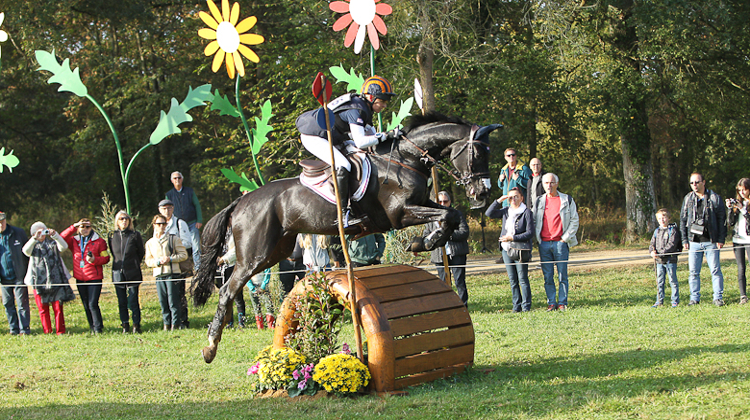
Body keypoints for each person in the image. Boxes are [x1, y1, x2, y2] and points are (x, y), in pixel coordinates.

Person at [296, 75, 397, 206]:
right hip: (314, 136)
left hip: (333, 137)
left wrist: (391, 136)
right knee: (344, 164)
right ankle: (343, 209)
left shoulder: (365, 108)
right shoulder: (356, 110)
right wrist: (385, 135)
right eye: (382, 101)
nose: (384, 105)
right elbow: (361, 142)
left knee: (358, 154)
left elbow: (372, 137)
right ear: (371, 98)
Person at [680, 172, 726, 306]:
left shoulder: (714, 198)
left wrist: (721, 239)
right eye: (692, 183)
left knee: (715, 270)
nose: (694, 185)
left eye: (697, 182)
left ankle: (717, 297)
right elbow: (683, 220)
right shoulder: (688, 198)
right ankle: (694, 298)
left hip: (711, 241)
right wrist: (684, 240)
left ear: (703, 182)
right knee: (693, 272)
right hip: (694, 241)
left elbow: (721, 220)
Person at [534, 173, 579, 311]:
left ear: (557, 184)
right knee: (547, 276)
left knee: (562, 275)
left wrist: (564, 239)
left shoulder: (567, 199)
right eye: (546, 183)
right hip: (544, 244)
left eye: (552, 182)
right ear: (543, 184)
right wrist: (538, 240)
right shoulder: (539, 201)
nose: (549, 185)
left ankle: (562, 303)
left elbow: (574, 221)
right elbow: (534, 221)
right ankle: (551, 302)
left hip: (561, 243)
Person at [486, 188, 535, 312]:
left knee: (522, 278)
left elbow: (530, 233)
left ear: (521, 198)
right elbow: (489, 213)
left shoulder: (526, 212)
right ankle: (516, 306)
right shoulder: (506, 211)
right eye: (511, 197)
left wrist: (512, 237)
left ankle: (526, 306)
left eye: (516, 197)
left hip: (520, 249)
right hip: (506, 249)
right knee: (513, 279)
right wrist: (498, 201)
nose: (513, 200)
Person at [22, 222, 75, 335]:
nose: (42, 234)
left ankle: (60, 331)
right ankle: (47, 331)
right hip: (38, 282)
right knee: (42, 308)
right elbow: (25, 251)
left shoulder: (53, 243)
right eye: (39, 232)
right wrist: (34, 238)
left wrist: (56, 235)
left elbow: (64, 247)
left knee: (58, 308)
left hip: (56, 280)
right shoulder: (32, 245)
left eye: (44, 231)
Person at [61, 218, 110, 333]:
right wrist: (73, 226)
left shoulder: (99, 241)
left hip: (94, 278)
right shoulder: (74, 241)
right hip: (80, 278)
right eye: (82, 227)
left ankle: (98, 328)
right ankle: (92, 327)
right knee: (86, 304)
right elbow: (61, 237)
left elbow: (106, 258)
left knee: (93, 304)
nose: (85, 229)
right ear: (78, 228)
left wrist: (94, 260)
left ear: (91, 228)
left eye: (88, 227)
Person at [423, 191, 470, 307]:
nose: (443, 203)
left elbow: (464, 232)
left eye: (445, 201)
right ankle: (448, 305)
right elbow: (426, 234)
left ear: (450, 202)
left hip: (456, 252)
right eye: (440, 201)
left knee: (459, 281)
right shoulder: (431, 217)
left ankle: (463, 305)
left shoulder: (457, 215)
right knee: (443, 282)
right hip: (439, 254)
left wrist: (448, 236)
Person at [145, 214, 188, 330]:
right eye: (159, 224)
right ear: (154, 225)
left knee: (173, 301)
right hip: (159, 274)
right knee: (163, 301)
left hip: (172, 273)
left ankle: (175, 324)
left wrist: (171, 259)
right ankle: (166, 324)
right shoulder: (150, 243)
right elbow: (148, 260)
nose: (161, 226)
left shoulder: (173, 239)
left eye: (164, 224)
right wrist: (158, 262)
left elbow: (184, 255)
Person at [108, 210, 145, 334]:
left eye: (126, 219)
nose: (124, 221)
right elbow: (113, 253)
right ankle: (125, 325)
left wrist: (133, 263)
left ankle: (136, 325)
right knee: (121, 301)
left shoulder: (135, 235)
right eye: (121, 219)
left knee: (133, 300)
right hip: (118, 273)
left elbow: (141, 252)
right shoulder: (112, 236)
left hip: (133, 272)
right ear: (117, 221)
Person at [158, 199, 192, 327]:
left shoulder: (179, 223)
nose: (167, 211)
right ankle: (169, 321)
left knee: (179, 294)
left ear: (173, 209)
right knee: (165, 296)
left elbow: (188, 242)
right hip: (163, 267)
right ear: (159, 210)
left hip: (177, 264)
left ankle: (183, 320)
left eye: (169, 208)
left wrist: (173, 247)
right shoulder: (157, 224)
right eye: (164, 208)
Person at [0, 211, 32, 335]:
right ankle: (13, 329)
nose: (0, 225)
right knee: (8, 304)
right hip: (3, 277)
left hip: (19, 275)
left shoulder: (18, 233)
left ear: (5, 220)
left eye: (2, 222)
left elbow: (27, 253)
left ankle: (24, 329)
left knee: (22, 303)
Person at [165, 171, 202, 271]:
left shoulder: (190, 191)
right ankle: (183, 268)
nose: (177, 180)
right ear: (172, 180)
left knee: (196, 247)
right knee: (180, 246)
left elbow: (197, 205)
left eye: (179, 178)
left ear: (182, 179)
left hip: (192, 223)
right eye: (175, 178)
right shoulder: (169, 194)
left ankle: (198, 268)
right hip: (178, 225)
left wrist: (199, 220)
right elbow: (166, 210)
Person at [215, 222, 246, 328]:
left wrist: (224, 259)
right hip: (221, 268)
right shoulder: (220, 232)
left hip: (233, 265)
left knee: (237, 296)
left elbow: (237, 248)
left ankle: (242, 322)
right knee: (225, 295)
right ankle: (229, 322)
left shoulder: (237, 230)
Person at [649, 209, 682, 308]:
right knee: (660, 281)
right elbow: (652, 244)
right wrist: (652, 251)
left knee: (672, 280)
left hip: (670, 260)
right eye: (659, 218)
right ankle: (659, 300)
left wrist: (661, 253)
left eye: (664, 217)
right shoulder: (657, 231)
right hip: (659, 261)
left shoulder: (673, 230)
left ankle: (675, 300)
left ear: (668, 218)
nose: (662, 220)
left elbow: (672, 245)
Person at [727, 178, 750, 305]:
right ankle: (743, 296)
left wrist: (743, 210)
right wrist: (730, 208)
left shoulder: (746, 205)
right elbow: (730, 222)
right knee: (741, 268)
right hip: (737, 240)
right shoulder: (738, 203)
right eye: (739, 190)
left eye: (744, 190)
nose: (742, 192)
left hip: (749, 239)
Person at [279, 234, 305, 298]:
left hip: (302, 262)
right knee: (285, 290)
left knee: (305, 286)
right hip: (286, 262)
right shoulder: (285, 231)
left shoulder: (303, 232)